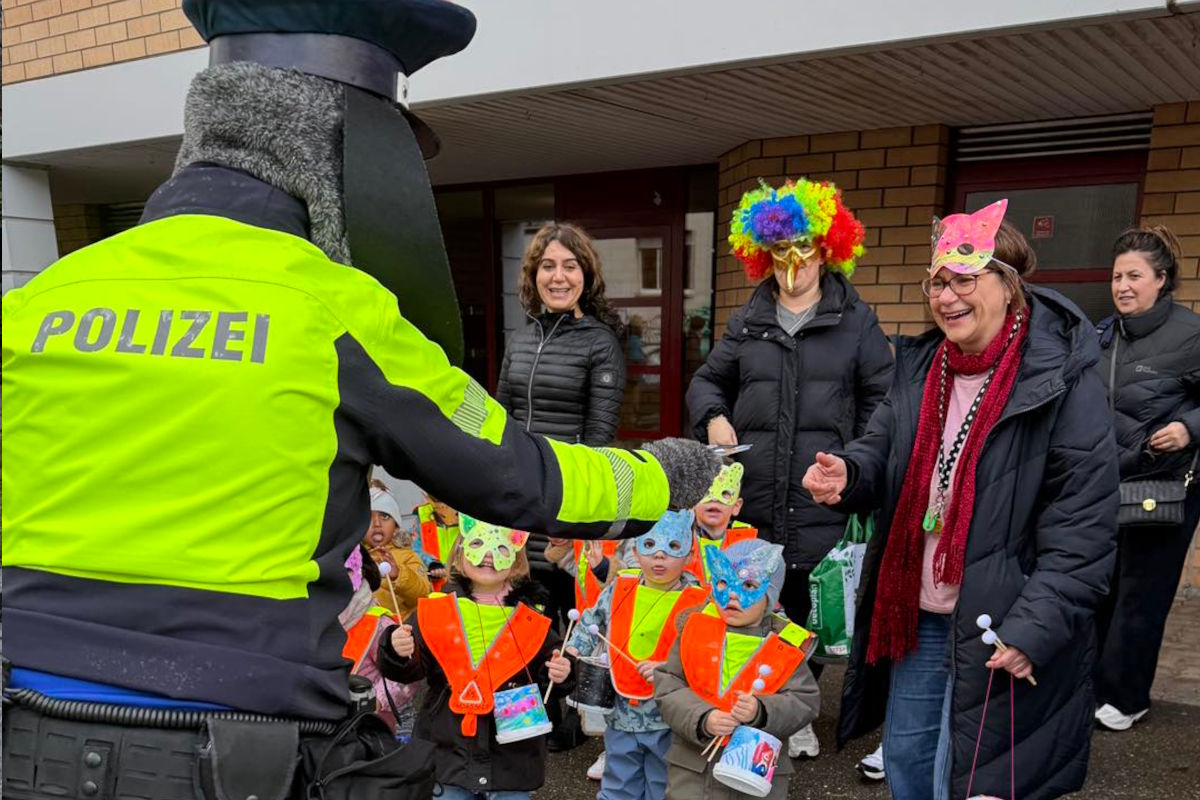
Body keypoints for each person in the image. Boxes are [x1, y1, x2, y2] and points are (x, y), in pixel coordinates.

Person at [1, 1, 720, 793]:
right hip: (237, 740)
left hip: (25, 725)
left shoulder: (45, 298)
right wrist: (666, 474)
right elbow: (516, 474)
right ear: (339, 157)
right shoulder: (336, 308)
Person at [804, 200, 1119, 800]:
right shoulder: (921, 368)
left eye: (964, 280)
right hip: (919, 614)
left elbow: (1083, 527)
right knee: (909, 767)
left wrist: (1035, 627)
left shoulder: (1061, 379)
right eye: (937, 282)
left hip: (1003, 624)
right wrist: (848, 472)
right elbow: (882, 446)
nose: (946, 297)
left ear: (1010, 286)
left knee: (973, 781)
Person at [687, 177, 892, 757]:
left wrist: (857, 460)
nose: (793, 267)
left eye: (805, 252)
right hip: (754, 492)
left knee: (803, 609)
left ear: (828, 250)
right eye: (781, 253)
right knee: (754, 600)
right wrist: (713, 418)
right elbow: (707, 381)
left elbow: (884, 399)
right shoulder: (747, 319)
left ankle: (791, 707)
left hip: (820, 493)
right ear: (764, 253)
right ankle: (752, 700)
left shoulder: (857, 321)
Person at [379, 518, 572, 799]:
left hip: (511, 759)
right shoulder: (434, 612)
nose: (489, 555)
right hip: (448, 751)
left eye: (501, 549)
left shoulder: (533, 618)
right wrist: (396, 649)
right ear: (459, 554)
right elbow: (410, 670)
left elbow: (550, 673)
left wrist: (562, 671)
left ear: (516, 561)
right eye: (478, 544)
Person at [1093, 224, 1200, 732]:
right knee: (1101, 588)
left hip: (1166, 486)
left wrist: (1188, 427)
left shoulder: (1191, 333)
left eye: (1134, 276)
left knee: (1142, 593)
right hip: (1107, 482)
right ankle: (1094, 685)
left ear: (1161, 279)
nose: (1123, 286)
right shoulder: (1102, 335)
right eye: (1117, 276)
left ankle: (1126, 695)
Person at [655, 540, 820, 800]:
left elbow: (804, 701)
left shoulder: (785, 644)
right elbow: (669, 685)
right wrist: (702, 718)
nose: (733, 594)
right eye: (724, 582)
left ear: (771, 597)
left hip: (754, 776)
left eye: (749, 586)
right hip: (693, 773)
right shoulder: (695, 631)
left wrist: (762, 711)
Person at [566, 510, 709, 800]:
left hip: (669, 715)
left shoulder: (698, 600)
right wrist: (570, 653)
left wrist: (668, 667)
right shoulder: (621, 587)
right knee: (619, 780)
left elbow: (706, 651)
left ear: (689, 550)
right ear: (635, 549)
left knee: (663, 783)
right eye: (649, 546)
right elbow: (592, 621)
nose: (659, 557)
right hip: (622, 711)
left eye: (672, 548)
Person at [340, 544, 419, 739]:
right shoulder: (310, 620)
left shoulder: (378, 624)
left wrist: (375, 700)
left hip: (370, 733)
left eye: (347, 570)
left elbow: (405, 679)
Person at [365, 485, 431, 620]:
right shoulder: (351, 557)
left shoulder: (408, 556)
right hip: (362, 634)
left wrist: (399, 575)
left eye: (385, 516)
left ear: (396, 526)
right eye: (368, 516)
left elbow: (423, 594)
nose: (377, 523)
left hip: (398, 631)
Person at [686, 462, 758, 584]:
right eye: (706, 493)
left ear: (736, 506)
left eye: (725, 493)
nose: (714, 499)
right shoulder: (677, 541)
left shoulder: (749, 545)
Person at [414, 490, 460, 591]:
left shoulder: (472, 515)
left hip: (465, 588)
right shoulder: (423, 515)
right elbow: (415, 549)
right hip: (435, 590)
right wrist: (431, 563)